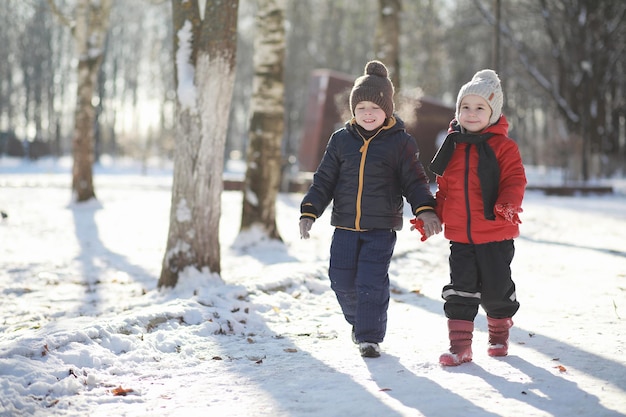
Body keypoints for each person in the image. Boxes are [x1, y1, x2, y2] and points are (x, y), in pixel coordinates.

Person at [298, 60, 441, 358]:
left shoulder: (401, 143)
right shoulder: (340, 141)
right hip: (345, 227)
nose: (367, 113)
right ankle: (358, 321)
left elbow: (414, 181)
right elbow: (324, 179)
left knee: (371, 282)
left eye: (374, 108)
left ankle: (369, 337)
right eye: (361, 108)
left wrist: (425, 209)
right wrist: (310, 210)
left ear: (386, 110)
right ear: (353, 110)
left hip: (381, 228)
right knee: (340, 279)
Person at [429, 69, 527, 366]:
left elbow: (514, 179)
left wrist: (507, 204)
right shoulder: (452, 146)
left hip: (496, 233)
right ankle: (460, 346)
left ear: (493, 113)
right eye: (465, 107)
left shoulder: (504, 147)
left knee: (496, 290)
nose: (471, 114)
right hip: (460, 235)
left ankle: (498, 331)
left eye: (479, 108)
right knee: (460, 290)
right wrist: (433, 216)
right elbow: (444, 189)